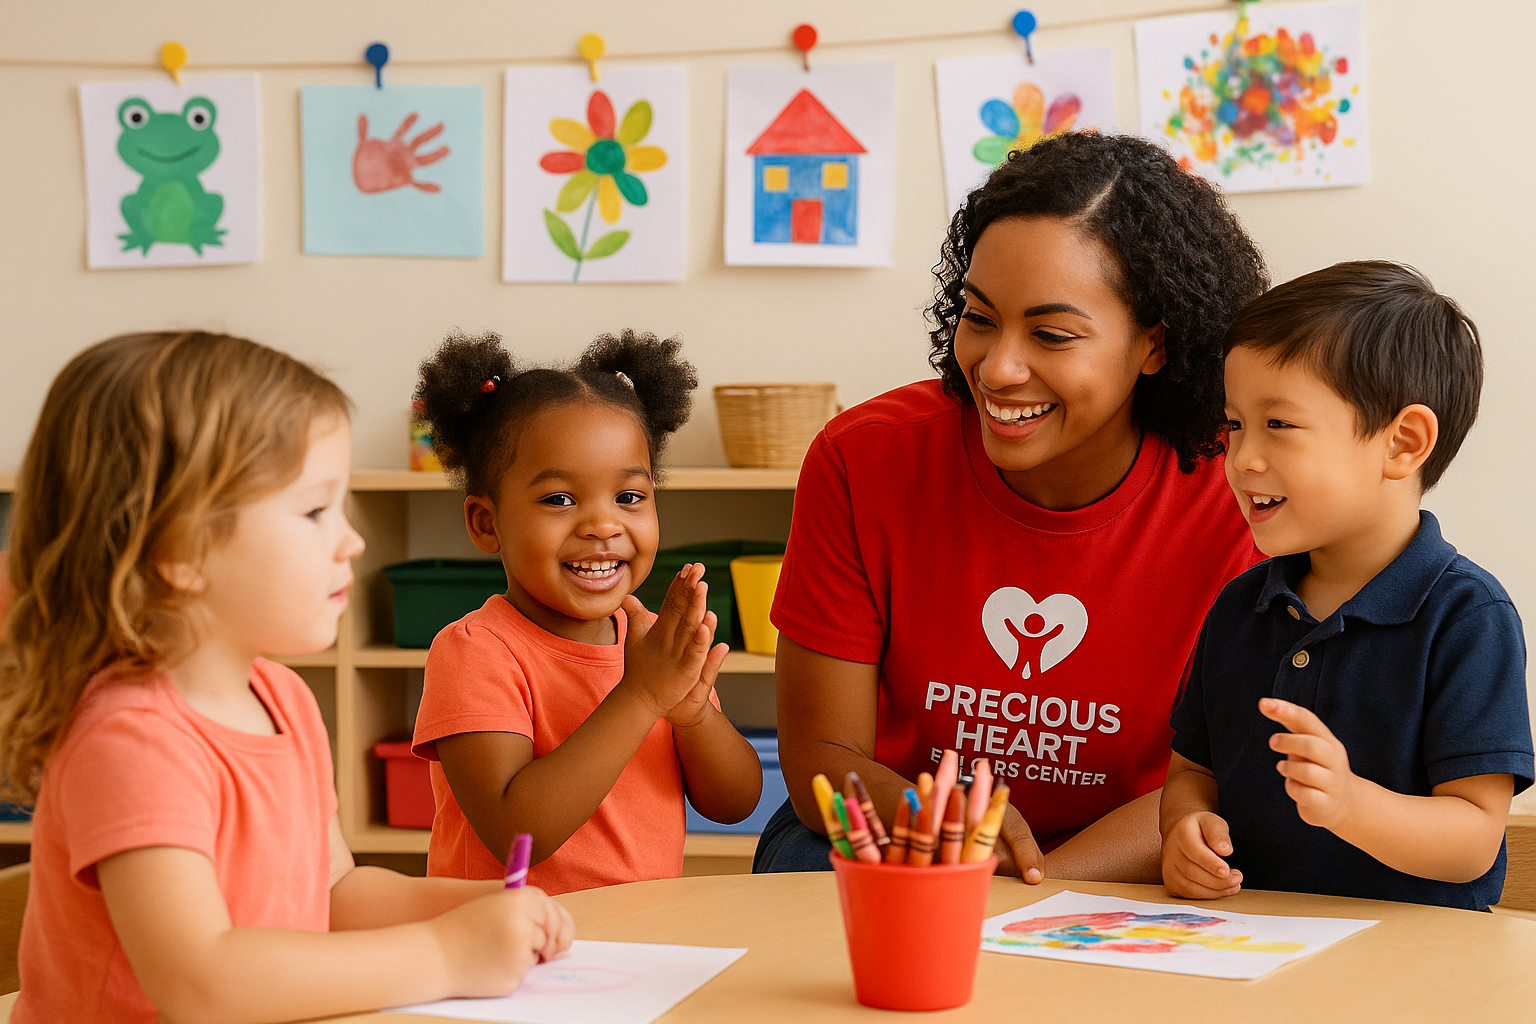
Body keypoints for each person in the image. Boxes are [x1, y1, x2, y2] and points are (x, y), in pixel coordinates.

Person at [0, 332, 573, 1024]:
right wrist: (446, 955)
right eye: (313, 511)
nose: (352, 539)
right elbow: (200, 983)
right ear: (179, 549)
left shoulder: (282, 699)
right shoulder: (130, 740)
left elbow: (333, 893)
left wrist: (473, 907)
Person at [758, 131, 1269, 882]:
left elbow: (1224, 775)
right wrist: (947, 833)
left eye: (1052, 334)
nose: (997, 369)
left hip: (1136, 855)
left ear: (1155, 344)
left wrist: (1037, 892)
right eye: (979, 317)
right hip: (907, 834)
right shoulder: (862, 459)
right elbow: (822, 761)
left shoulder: (1240, 495)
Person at [1160, 262, 1533, 911]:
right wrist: (1183, 829)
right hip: (1249, 951)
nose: (1244, 457)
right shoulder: (1236, 608)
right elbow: (1192, 774)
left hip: (1413, 968)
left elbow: (1474, 836)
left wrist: (1351, 804)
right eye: (1235, 425)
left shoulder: (1467, 616)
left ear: (1402, 443)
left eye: (1278, 425)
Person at [411, 329, 762, 894]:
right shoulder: (476, 651)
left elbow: (735, 804)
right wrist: (643, 695)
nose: (603, 525)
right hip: (511, 952)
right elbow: (515, 835)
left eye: (629, 497)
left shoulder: (650, 641)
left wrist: (694, 715)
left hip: (638, 943)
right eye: (559, 499)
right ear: (486, 523)